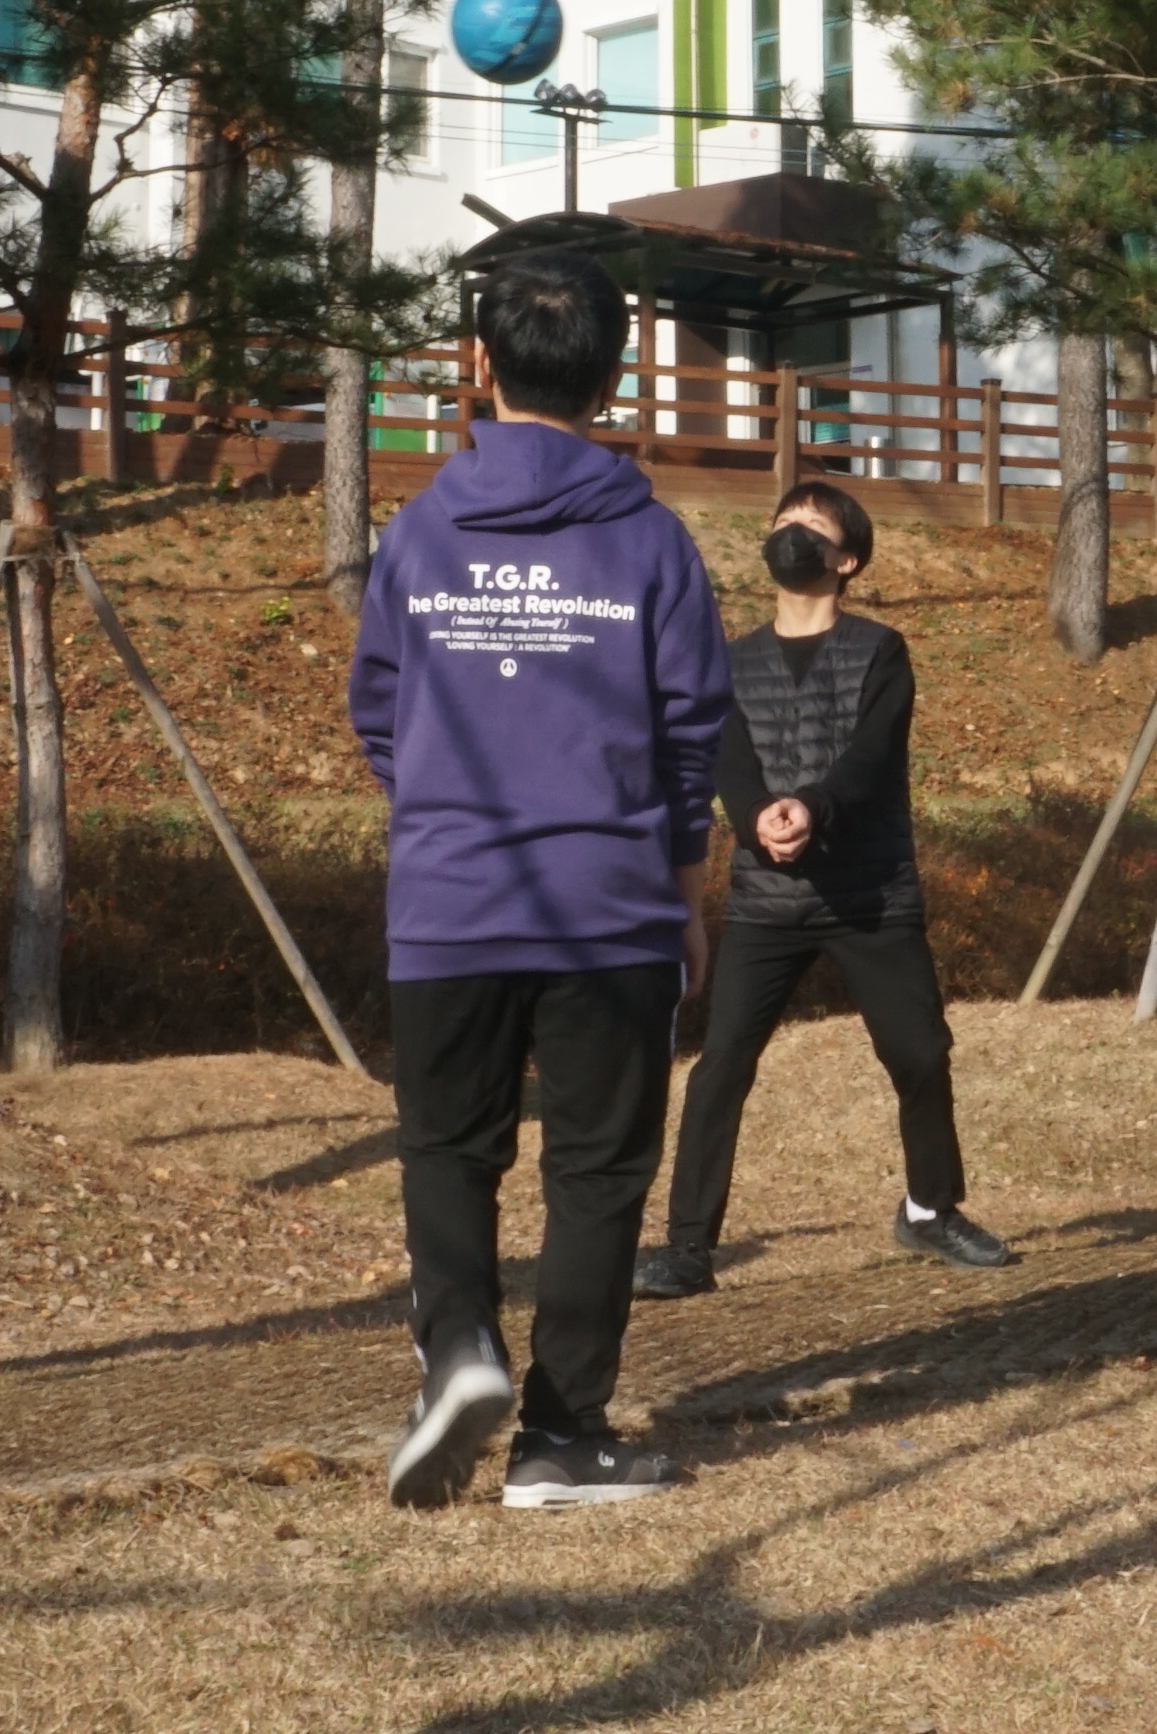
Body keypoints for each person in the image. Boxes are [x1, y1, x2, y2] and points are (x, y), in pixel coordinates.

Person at [351, 249, 731, 1509]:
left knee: (445, 1146)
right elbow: (690, 734)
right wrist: (685, 894)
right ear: (612, 377)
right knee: (596, 1168)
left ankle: (459, 1346)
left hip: (450, 896)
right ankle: (563, 1436)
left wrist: (447, 809)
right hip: (608, 902)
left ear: (480, 363)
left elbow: (378, 712)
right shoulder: (652, 543)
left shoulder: (419, 532)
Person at [637, 480, 1012, 1302]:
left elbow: (870, 760)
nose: (791, 536)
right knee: (720, 1066)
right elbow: (727, 759)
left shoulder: (882, 651)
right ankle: (688, 1249)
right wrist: (756, 820)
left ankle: (930, 1210)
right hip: (768, 899)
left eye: (811, 527)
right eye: (783, 523)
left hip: (871, 894)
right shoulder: (729, 660)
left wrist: (812, 807)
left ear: (847, 560)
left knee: (920, 1052)